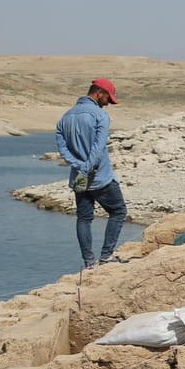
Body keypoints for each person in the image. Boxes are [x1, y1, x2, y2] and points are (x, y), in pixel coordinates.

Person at [55, 78, 128, 269]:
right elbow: (98, 146)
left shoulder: (66, 117)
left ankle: (89, 263)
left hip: (79, 176)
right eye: (108, 99)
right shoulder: (99, 116)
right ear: (99, 93)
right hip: (99, 176)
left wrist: (77, 164)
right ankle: (106, 256)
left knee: (84, 218)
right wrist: (88, 166)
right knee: (119, 211)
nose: (108, 104)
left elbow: (62, 147)